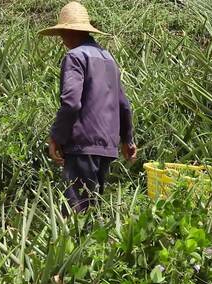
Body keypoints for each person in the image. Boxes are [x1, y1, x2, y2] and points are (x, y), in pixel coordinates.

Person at [38, 1, 137, 216]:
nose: (62, 39)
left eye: (63, 33)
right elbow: (124, 104)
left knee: (77, 214)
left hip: (82, 145)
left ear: (68, 32)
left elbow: (71, 103)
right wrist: (127, 140)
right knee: (93, 209)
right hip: (106, 146)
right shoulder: (108, 58)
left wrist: (56, 136)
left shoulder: (75, 57)